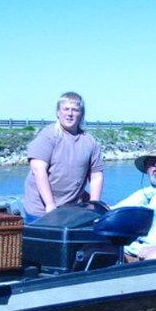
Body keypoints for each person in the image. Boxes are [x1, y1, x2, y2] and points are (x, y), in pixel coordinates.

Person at [23, 92, 104, 222]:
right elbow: (38, 170)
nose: (70, 114)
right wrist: (50, 205)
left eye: (75, 110)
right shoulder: (48, 135)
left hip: (72, 209)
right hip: (41, 209)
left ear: (81, 114)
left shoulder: (89, 141)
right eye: (65, 109)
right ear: (58, 112)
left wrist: (94, 205)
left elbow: (96, 176)